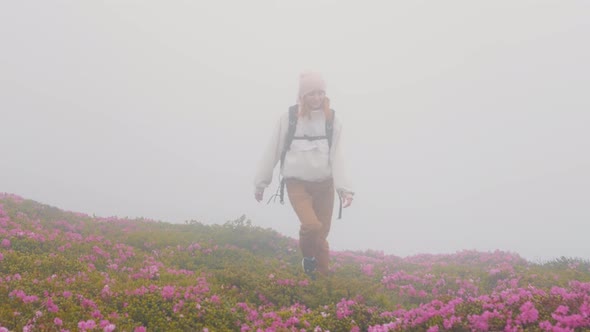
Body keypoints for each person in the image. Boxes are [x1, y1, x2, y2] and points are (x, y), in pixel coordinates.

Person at [253, 71, 354, 278]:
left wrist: (345, 190)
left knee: (321, 236)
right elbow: (272, 150)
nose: (317, 98)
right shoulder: (289, 118)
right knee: (311, 225)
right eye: (311, 93)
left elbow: (338, 156)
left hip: (325, 184)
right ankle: (308, 258)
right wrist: (261, 183)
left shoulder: (332, 119)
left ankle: (320, 280)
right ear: (302, 96)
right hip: (296, 184)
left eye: (320, 93)